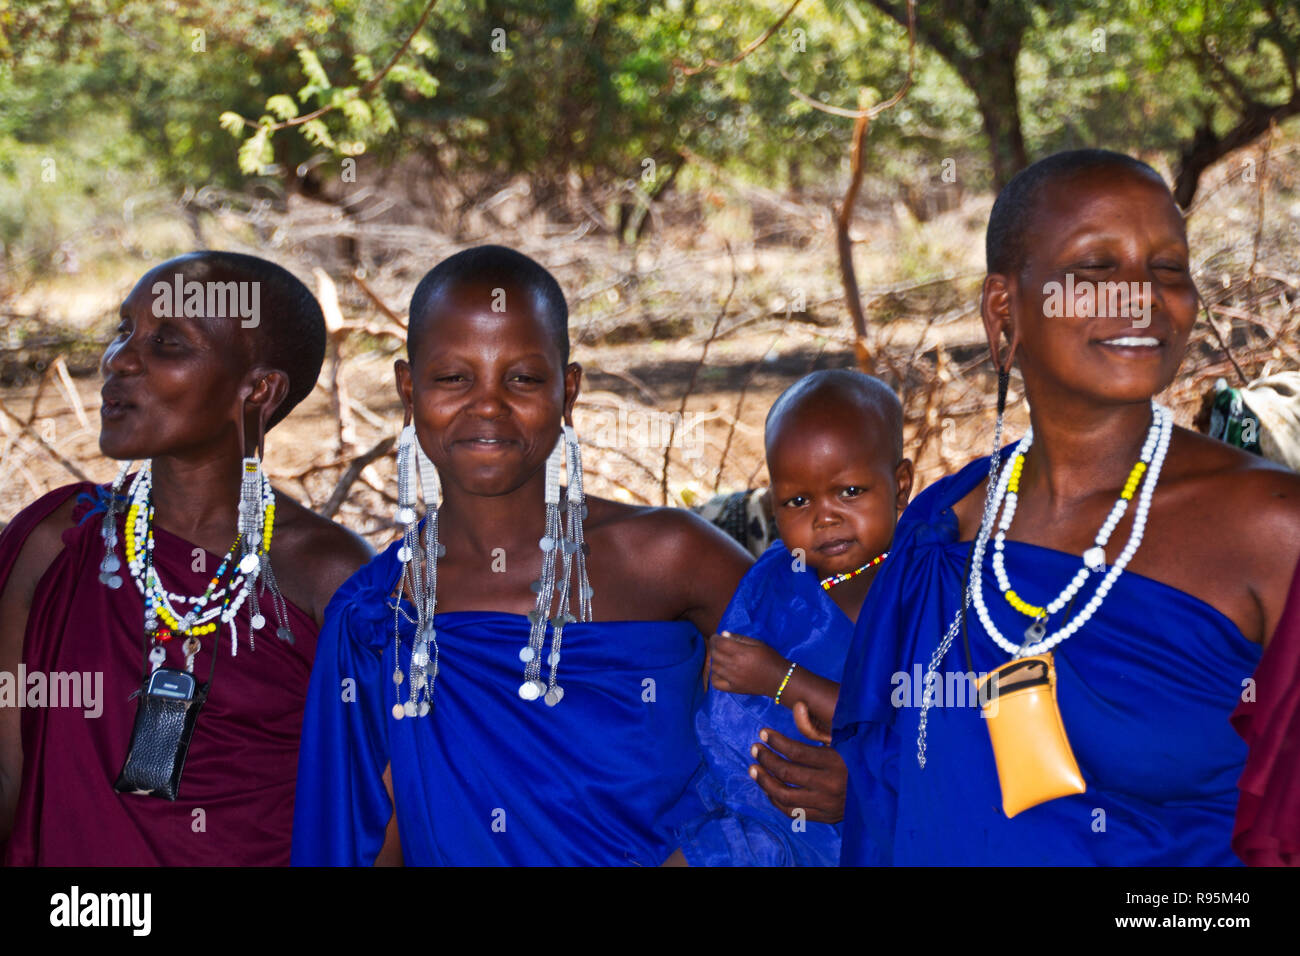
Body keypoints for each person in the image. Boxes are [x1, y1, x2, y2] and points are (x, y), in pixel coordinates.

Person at [832, 149, 1300, 865]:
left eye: (1168, 268)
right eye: (1096, 267)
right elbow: (897, 791)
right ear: (1004, 309)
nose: (1142, 295)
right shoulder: (944, 531)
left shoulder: (1270, 527)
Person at [291, 245, 752, 866]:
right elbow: (378, 836)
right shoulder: (381, 614)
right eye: (454, 378)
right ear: (408, 389)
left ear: (569, 390)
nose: (488, 405)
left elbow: (808, 695)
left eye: (524, 379)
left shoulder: (670, 556)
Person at [0, 251, 372, 866]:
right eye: (124, 330)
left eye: (167, 342)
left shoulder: (327, 575)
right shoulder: (57, 538)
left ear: (258, 389)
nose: (118, 359)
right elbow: (8, 775)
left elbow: (374, 811)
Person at [677, 369, 912, 865]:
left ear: (901, 485)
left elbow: (914, 724)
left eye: (849, 491)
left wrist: (785, 681)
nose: (824, 517)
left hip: (887, 828)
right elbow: (726, 711)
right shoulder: (773, 582)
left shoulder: (922, 589)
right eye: (798, 501)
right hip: (760, 817)